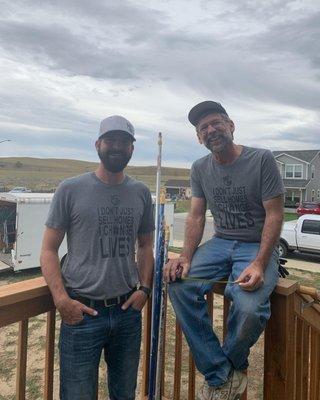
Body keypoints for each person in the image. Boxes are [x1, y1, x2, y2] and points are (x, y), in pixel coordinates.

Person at [164, 101, 284, 400]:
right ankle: (221, 373)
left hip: (256, 246)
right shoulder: (200, 168)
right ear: (198, 137)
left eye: (216, 122)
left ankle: (226, 370)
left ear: (231, 125)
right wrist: (186, 256)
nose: (210, 130)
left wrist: (259, 262)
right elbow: (195, 215)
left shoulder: (261, 159)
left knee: (248, 307)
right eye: (203, 128)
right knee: (178, 285)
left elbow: (275, 214)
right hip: (219, 243)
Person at [40, 115, 155, 400]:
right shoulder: (70, 189)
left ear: (131, 149)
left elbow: (145, 246)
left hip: (127, 312)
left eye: (124, 142)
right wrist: (61, 299)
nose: (117, 147)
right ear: (97, 144)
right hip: (82, 314)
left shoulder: (140, 193)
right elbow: (48, 250)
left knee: (124, 394)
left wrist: (144, 289)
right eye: (110, 140)